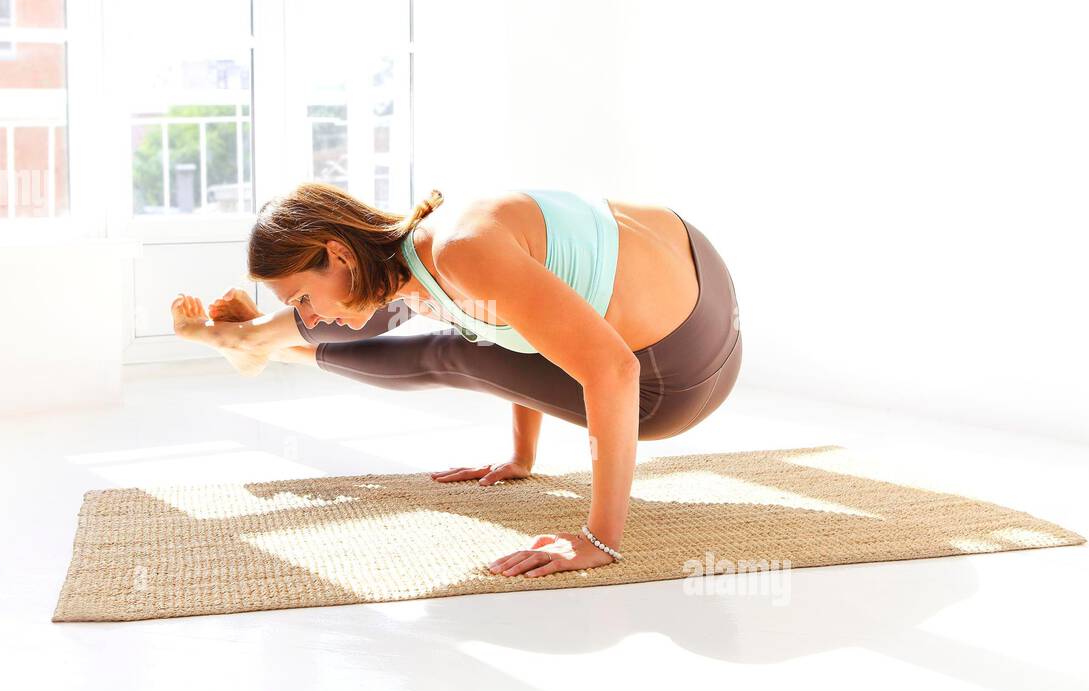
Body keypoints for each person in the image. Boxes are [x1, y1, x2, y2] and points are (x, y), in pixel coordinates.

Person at [170, 182, 742, 579]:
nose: (311, 313)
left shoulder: (462, 254)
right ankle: (261, 341)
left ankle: (264, 345)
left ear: (339, 253)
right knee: (418, 320)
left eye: (301, 298)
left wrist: (598, 540)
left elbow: (614, 370)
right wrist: (521, 456)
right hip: (700, 280)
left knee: (451, 351)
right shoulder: (429, 245)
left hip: (673, 384)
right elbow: (535, 328)